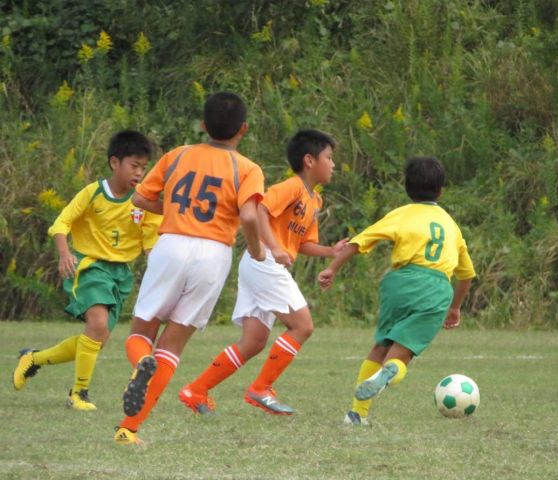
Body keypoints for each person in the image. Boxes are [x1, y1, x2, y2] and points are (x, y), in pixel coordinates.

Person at [114, 92, 265, 445]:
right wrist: (257, 250)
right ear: (243, 129)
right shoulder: (248, 168)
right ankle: (128, 429)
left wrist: (172, 210)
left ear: (203, 125)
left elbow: (139, 197)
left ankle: (140, 365)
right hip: (213, 254)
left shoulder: (178, 155)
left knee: (141, 332)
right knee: (172, 346)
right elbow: (248, 216)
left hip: (171, 245)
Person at [178, 129, 347, 416]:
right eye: (329, 158)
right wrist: (275, 247)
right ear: (309, 160)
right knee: (303, 326)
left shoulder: (315, 200)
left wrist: (331, 251)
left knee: (254, 341)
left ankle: (196, 390)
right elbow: (260, 211)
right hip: (264, 260)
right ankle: (261, 388)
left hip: (261, 264)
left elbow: (303, 243)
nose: (333, 164)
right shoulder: (292, 187)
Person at [318, 156, 476, 425]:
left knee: (381, 346)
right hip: (435, 288)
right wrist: (455, 308)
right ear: (441, 191)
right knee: (401, 355)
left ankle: (357, 414)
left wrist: (332, 268)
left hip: (398, 283)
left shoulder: (401, 214)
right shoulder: (451, 225)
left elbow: (360, 241)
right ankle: (390, 371)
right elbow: (466, 275)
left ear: (407, 188)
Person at [12, 130, 161, 411]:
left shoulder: (144, 202)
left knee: (97, 339)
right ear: (114, 162)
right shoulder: (93, 193)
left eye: (143, 167)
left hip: (121, 276)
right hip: (91, 267)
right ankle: (78, 394)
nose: (139, 173)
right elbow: (61, 222)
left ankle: (33, 358)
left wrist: (160, 274)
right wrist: (64, 253)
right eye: (134, 165)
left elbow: (150, 245)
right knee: (98, 325)